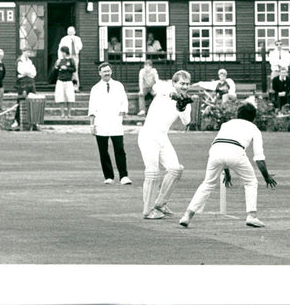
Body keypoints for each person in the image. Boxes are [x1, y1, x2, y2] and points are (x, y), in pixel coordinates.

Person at [179, 103, 277, 229]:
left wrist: (227, 172)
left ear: (238, 114)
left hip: (215, 151)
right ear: (254, 117)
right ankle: (251, 216)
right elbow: (259, 158)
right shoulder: (254, 128)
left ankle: (187, 216)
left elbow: (223, 146)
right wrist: (266, 176)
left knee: (207, 184)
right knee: (251, 182)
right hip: (236, 152)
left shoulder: (227, 124)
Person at [137, 70, 193, 219]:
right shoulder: (165, 89)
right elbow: (160, 90)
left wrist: (181, 107)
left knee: (175, 169)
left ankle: (160, 203)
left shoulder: (185, 100)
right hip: (149, 135)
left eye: (187, 84)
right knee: (152, 172)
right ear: (174, 83)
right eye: (182, 83)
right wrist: (175, 97)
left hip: (162, 137)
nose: (185, 86)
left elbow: (186, 122)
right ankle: (147, 211)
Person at [88, 62, 131, 185]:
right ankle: (109, 176)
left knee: (120, 149)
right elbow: (92, 107)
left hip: (115, 122)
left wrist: (122, 115)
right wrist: (92, 124)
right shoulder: (95, 88)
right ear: (100, 73)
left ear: (111, 72)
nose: (107, 73)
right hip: (100, 122)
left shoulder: (118, 85)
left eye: (108, 71)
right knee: (103, 150)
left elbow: (124, 102)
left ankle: (124, 176)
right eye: (104, 71)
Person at [13, 50, 37, 130]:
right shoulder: (19, 61)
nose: (28, 54)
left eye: (29, 52)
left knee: (32, 100)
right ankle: (17, 120)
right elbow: (22, 71)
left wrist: (29, 73)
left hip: (30, 81)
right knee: (21, 101)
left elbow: (34, 72)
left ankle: (32, 122)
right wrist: (28, 72)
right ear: (23, 52)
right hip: (22, 82)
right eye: (27, 52)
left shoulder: (30, 61)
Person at [53, 46, 77, 118]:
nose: (62, 54)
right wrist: (56, 67)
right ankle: (62, 113)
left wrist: (67, 68)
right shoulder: (59, 60)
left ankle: (69, 113)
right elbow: (54, 71)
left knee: (70, 97)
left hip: (68, 81)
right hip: (60, 80)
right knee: (60, 97)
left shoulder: (71, 60)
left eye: (63, 52)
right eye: (61, 52)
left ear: (66, 52)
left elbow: (74, 69)